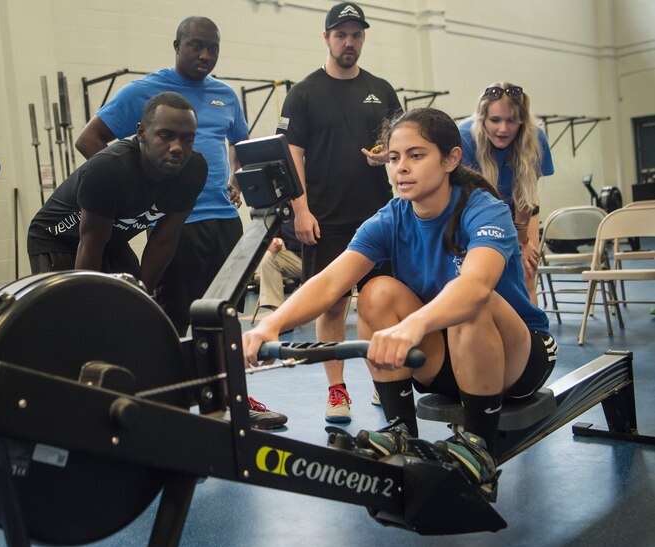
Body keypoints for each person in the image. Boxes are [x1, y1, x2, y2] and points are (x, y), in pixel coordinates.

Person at [244, 108, 558, 496]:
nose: (401, 168)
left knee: (468, 301)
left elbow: (476, 286)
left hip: (518, 358)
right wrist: (268, 325)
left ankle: (481, 450)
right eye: (394, 158)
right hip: (448, 357)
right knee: (376, 292)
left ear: (450, 159)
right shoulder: (392, 217)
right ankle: (401, 430)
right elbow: (329, 282)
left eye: (416, 155)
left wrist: (413, 326)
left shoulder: (482, 208)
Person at [75, 16, 286, 430]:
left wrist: (234, 177)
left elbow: (239, 143)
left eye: (212, 48)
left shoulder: (225, 94)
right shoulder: (144, 92)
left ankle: (233, 396)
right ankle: (165, 401)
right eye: (195, 46)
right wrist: (136, 190)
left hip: (225, 220)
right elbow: (89, 140)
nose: (205, 55)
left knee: (225, 316)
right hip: (177, 223)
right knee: (173, 318)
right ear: (177, 45)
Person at [276, 2, 402, 423]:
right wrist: (301, 210)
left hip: (378, 216)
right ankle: (336, 390)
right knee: (332, 306)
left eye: (357, 34)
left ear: (363, 38)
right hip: (324, 218)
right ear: (327, 38)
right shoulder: (304, 92)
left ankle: (384, 384)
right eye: (341, 34)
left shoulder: (381, 90)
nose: (349, 42)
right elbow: (291, 154)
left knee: (379, 302)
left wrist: (386, 155)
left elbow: (400, 144)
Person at [28, 92, 206, 295]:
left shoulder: (193, 171)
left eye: (187, 139)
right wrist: (87, 304)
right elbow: (91, 243)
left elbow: (163, 241)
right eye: (166, 136)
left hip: (111, 240)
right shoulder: (109, 169)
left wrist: (144, 297)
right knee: (73, 316)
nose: (177, 148)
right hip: (58, 238)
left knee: (132, 304)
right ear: (141, 133)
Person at [458, 83, 555, 305]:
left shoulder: (535, 137)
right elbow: (465, 198)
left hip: (519, 208)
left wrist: (522, 241)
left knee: (526, 273)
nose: (503, 129)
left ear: (521, 121)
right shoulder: (464, 137)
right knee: (485, 276)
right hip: (476, 210)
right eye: (495, 120)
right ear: (483, 118)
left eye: (511, 121)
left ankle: (534, 336)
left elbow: (527, 193)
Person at [254, 216, 302, 317]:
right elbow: (276, 236)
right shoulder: (284, 211)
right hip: (296, 260)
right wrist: (273, 243)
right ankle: (280, 316)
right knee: (268, 257)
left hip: (321, 260)